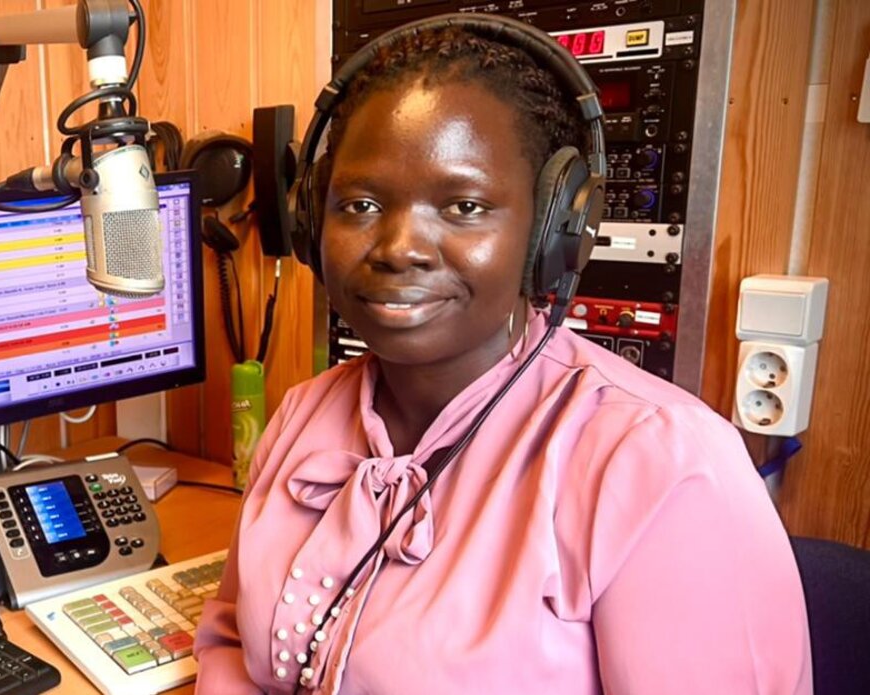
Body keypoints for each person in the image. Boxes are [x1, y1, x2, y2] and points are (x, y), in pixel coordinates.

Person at [194, 18, 812, 695]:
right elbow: (230, 636)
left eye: (463, 205)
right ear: (312, 220)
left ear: (553, 230)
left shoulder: (664, 466)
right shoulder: (302, 416)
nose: (399, 246)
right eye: (361, 203)